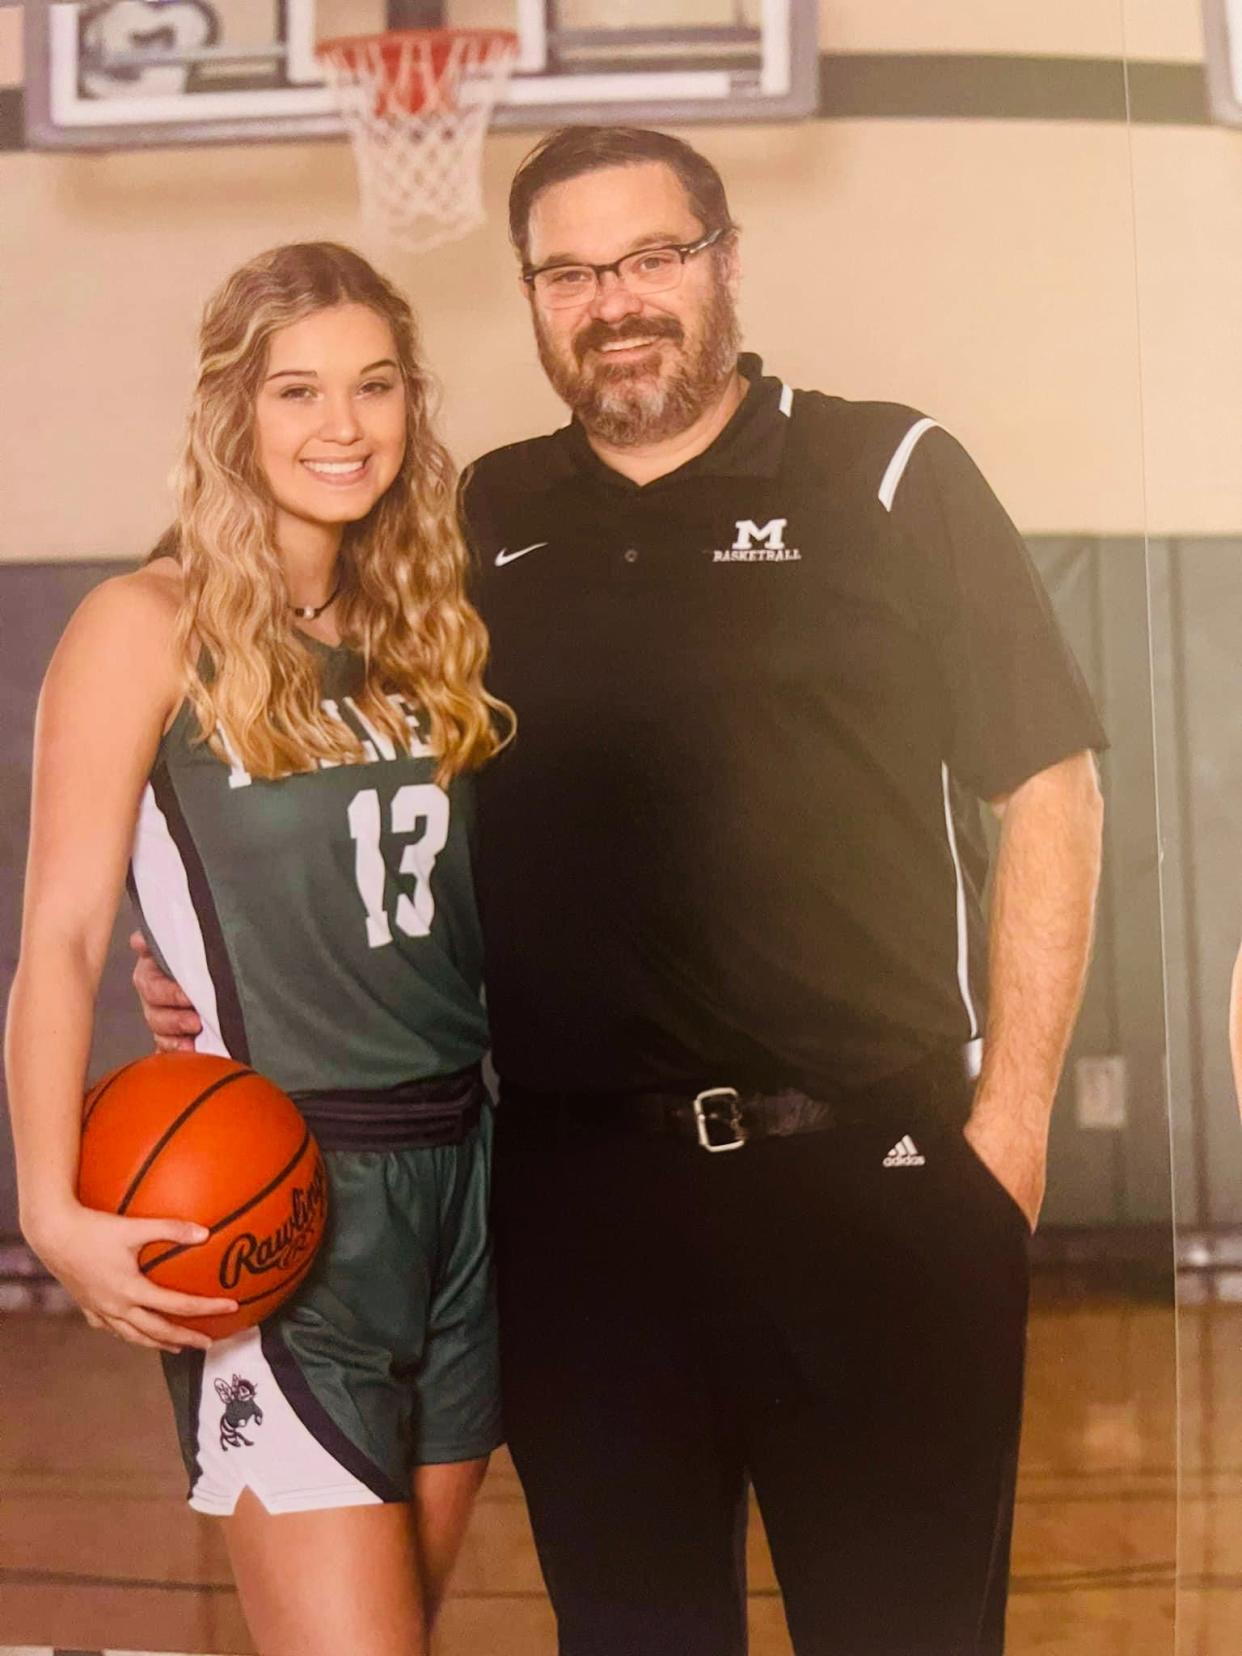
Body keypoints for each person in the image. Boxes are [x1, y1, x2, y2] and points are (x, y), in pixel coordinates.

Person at [136, 129, 1107, 1655]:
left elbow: (1047, 783)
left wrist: (1014, 1129)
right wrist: (212, 952)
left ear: (723, 261)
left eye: (653, 257)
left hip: (875, 1181)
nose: (617, 301)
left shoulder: (888, 468)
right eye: (573, 272)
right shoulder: (468, 526)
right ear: (532, 300)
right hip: (577, 1210)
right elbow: (336, 774)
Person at [8, 241, 511, 1656]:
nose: (341, 426)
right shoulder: (145, 627)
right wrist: (49, 1210)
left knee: (392, 1627)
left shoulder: (434, 626)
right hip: (281, 1191)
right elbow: (60, 934)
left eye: (374, 385)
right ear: (233, 414)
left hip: (464, 1185)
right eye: (297, 391)